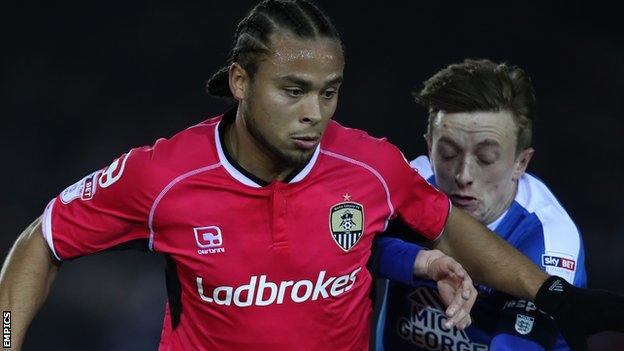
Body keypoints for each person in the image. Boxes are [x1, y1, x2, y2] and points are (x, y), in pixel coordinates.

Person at [0, 1, 622, 350]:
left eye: (329, 93)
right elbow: (41, 243)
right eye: (294, 91)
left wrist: (552, 296)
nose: (315, 114)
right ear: (241, 83)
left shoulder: (369, 166)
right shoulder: (163, 176)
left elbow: (452, 231)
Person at [374, 59, 587, 351]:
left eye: (486, 158)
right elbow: (351, 250)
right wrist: (423, 262)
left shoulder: (550, 241)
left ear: (520, 163)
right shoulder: (409, 183)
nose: (464, 176)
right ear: (429, 147)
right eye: (448, 154)